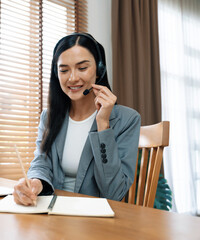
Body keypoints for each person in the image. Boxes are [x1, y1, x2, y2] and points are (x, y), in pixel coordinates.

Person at [13, 33, 141, 206]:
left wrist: (103, 125)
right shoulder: (49, 117)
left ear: (99, 70)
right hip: (53, 216)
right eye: (64, 70)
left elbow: (114, 193)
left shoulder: (127, 119)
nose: (72, 78)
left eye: (82, 68)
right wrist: (36, 181)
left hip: (96, 222)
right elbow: (41, 162)